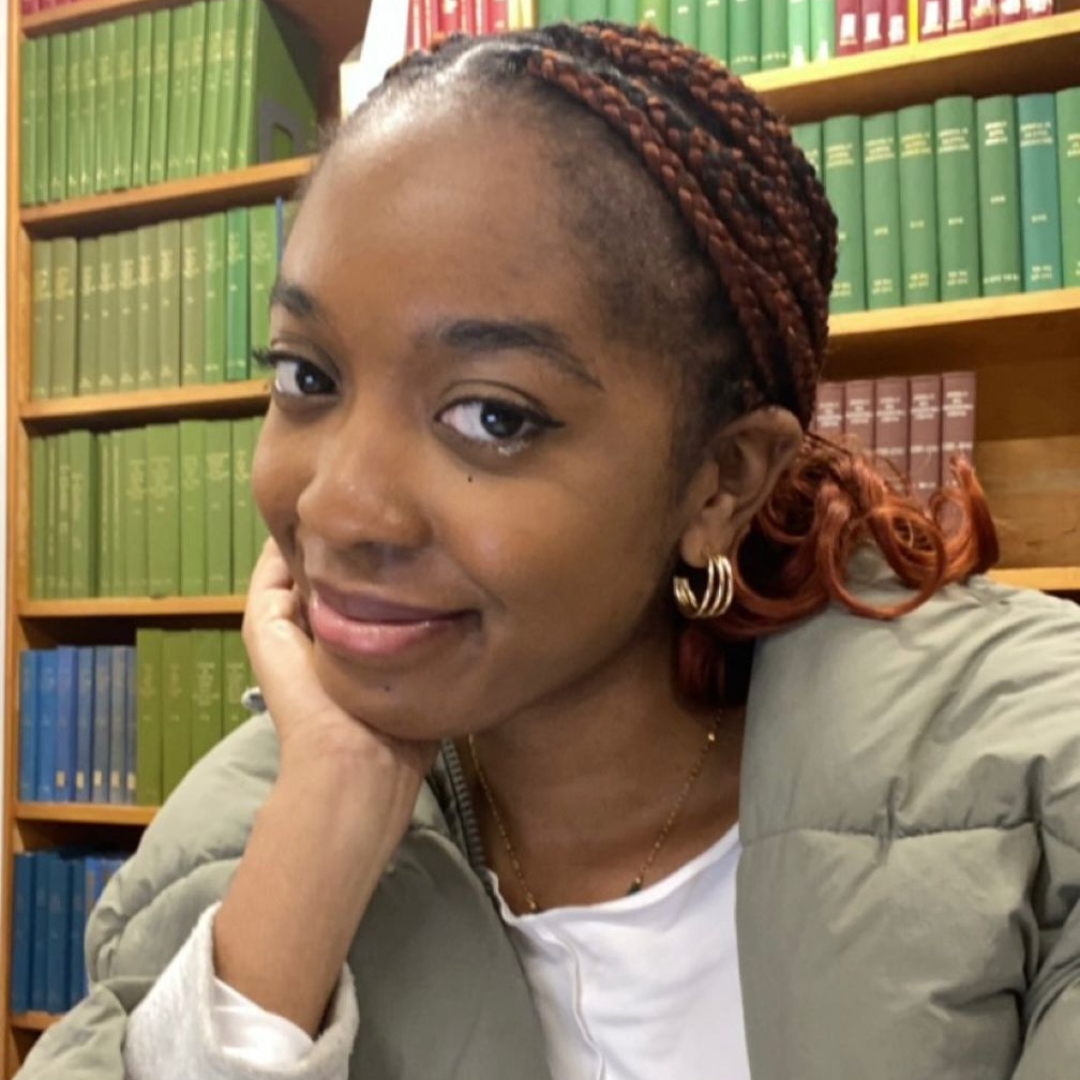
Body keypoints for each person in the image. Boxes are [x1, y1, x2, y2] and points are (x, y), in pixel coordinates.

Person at [16, 21, 1080, 1080]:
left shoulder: (1034, 789)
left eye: (492, 417)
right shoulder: (237, 832)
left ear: (722, 481)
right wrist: (326, 818)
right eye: (307, 376)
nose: (338, 509)